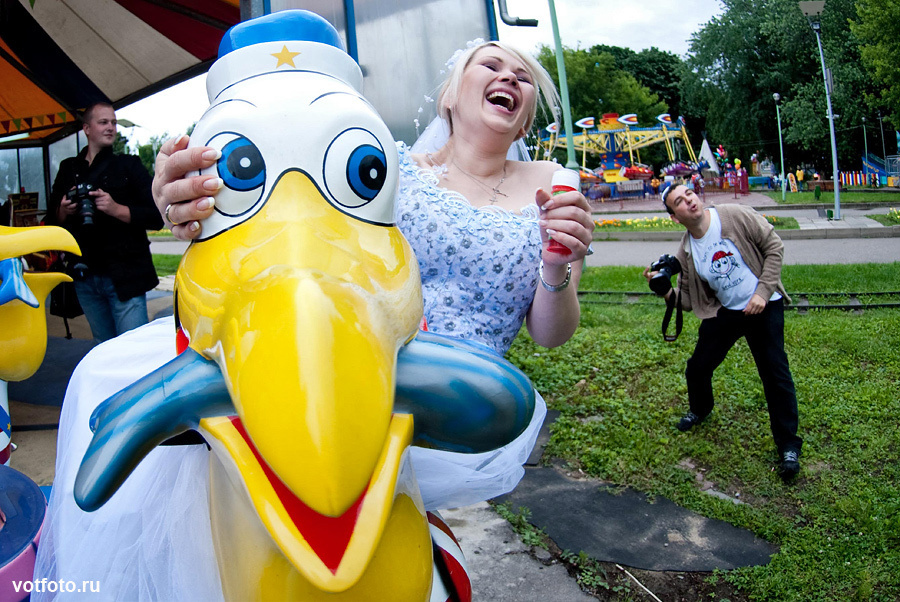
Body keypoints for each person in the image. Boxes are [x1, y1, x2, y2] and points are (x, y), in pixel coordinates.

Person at [35, 32, 594, 600]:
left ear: (525, 119)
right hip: (344, 366)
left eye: (524, 76)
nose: (510, 78)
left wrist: (558, 267)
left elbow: (550, 334)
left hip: (450, 399)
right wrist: (186, 193)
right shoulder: (391, 166)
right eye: (491, 64)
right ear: (451, 94)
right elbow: (279, 193)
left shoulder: (553, 186)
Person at [643, 184, 802, 478]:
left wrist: (763, 293)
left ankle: (788, 446)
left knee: (775, 375)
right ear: (674, 216)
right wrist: (665, 290)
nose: (688, 200)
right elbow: (689, 301)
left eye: (688, 193)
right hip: (727, 311)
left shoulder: (734, 216)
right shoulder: (687, 249)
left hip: (764, 306)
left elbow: (774, 247)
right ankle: (701, 409)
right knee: (698, 368)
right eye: (679, 201)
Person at [46, 102, 163, 344]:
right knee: (104, 348)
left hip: (125, 274)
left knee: (134, 348)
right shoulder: (69, 168)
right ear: (87, 128)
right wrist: (64, 210)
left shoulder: (129, 165)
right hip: (85, 274)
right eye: (103, 122)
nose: (111, 127)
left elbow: (155, 216)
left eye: (113, 122)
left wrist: (115, 208)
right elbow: (51, 221)